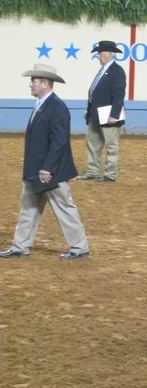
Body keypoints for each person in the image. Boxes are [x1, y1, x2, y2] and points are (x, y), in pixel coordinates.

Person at [0, 64, 90, 260]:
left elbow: (59, 142)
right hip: (36, 170)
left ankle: (79, 247)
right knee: (29, 207)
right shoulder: (42, 104)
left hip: (50, 171)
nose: (30, 85)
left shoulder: (57, 108)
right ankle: (20, 246)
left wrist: (47, 167)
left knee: (64, 207)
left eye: (33, 81)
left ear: (45, 84)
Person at [77, 40, 126, 182]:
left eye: (99, 54)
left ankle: (110, 174)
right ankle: (93, 172)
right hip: (96, 114)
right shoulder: (104, 70)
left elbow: (119, 94)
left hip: (109, 114)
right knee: (92, 143)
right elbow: (94, 93)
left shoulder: (117, 71)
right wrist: (89, 110)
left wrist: (114, 115)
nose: (98, 57)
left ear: (105, 54)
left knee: (111, 145)